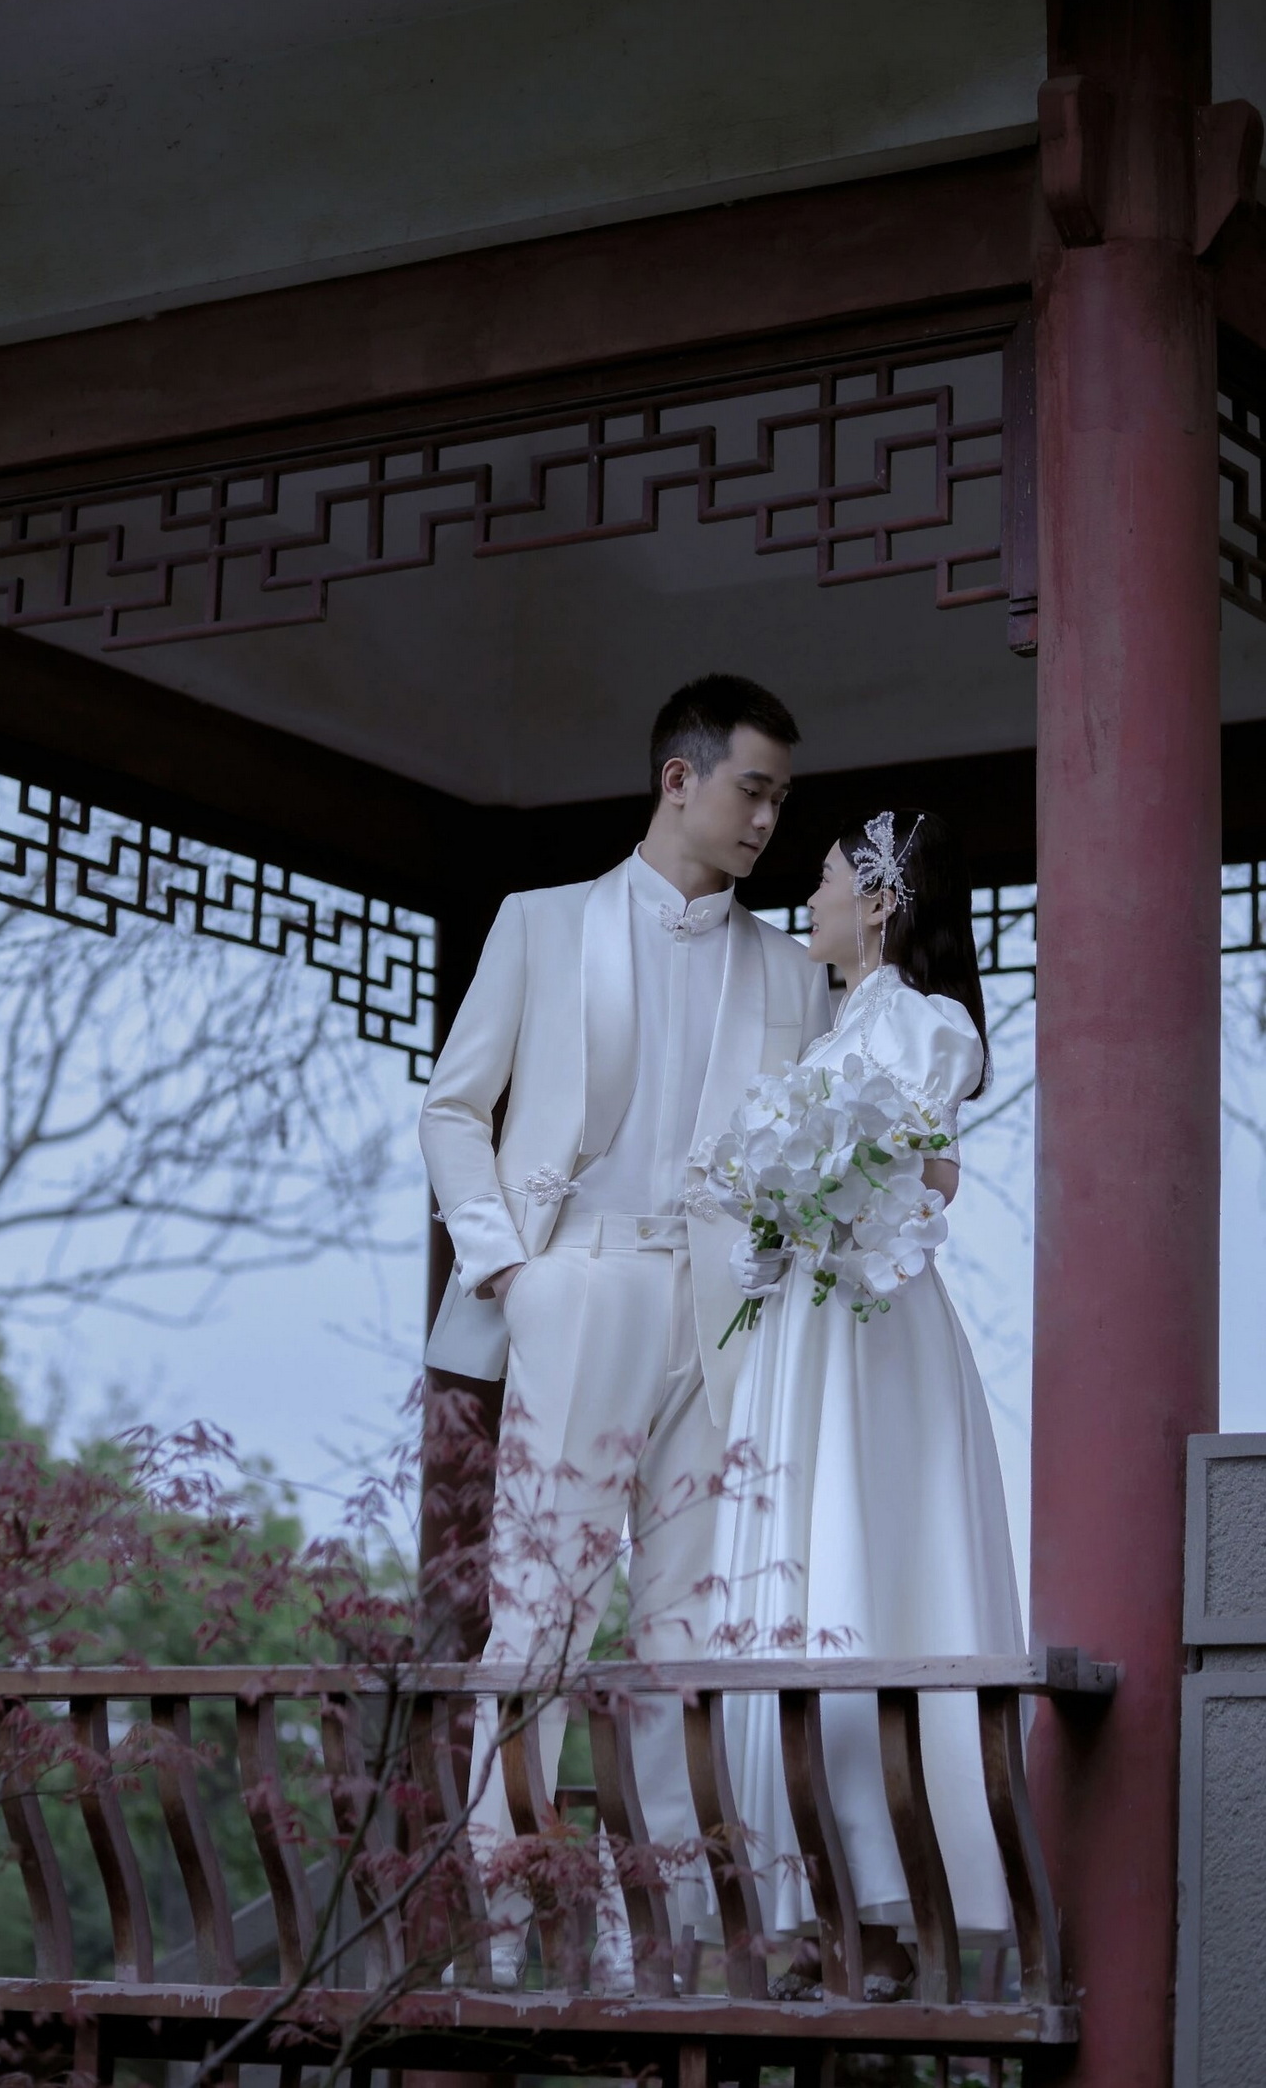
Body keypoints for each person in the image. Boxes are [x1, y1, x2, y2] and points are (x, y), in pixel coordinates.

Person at [419, 674, 832, 1991]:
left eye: (779, 799)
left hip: (718, 1310)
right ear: (678, 778)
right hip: (578, 1278)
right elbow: (452, 1106)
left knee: (685, 1626)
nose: (765, 819)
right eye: (751, 789)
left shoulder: (789, 970)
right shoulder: (542, 923)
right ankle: (502, 1909)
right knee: (540, 1604)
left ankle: (664, 1923)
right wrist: (507, 1267)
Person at [712, 810, 1025, 1997]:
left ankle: (884, 1912)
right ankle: (807, 1903)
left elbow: (927, 1174)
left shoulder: (923, 1024)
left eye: (826, 878)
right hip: (805, 1321)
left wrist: (824, 1189)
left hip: (869, 1322)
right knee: (795, 1565)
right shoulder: (837, 1026)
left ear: (880, 901)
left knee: (869, 1564)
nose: (810, 898)